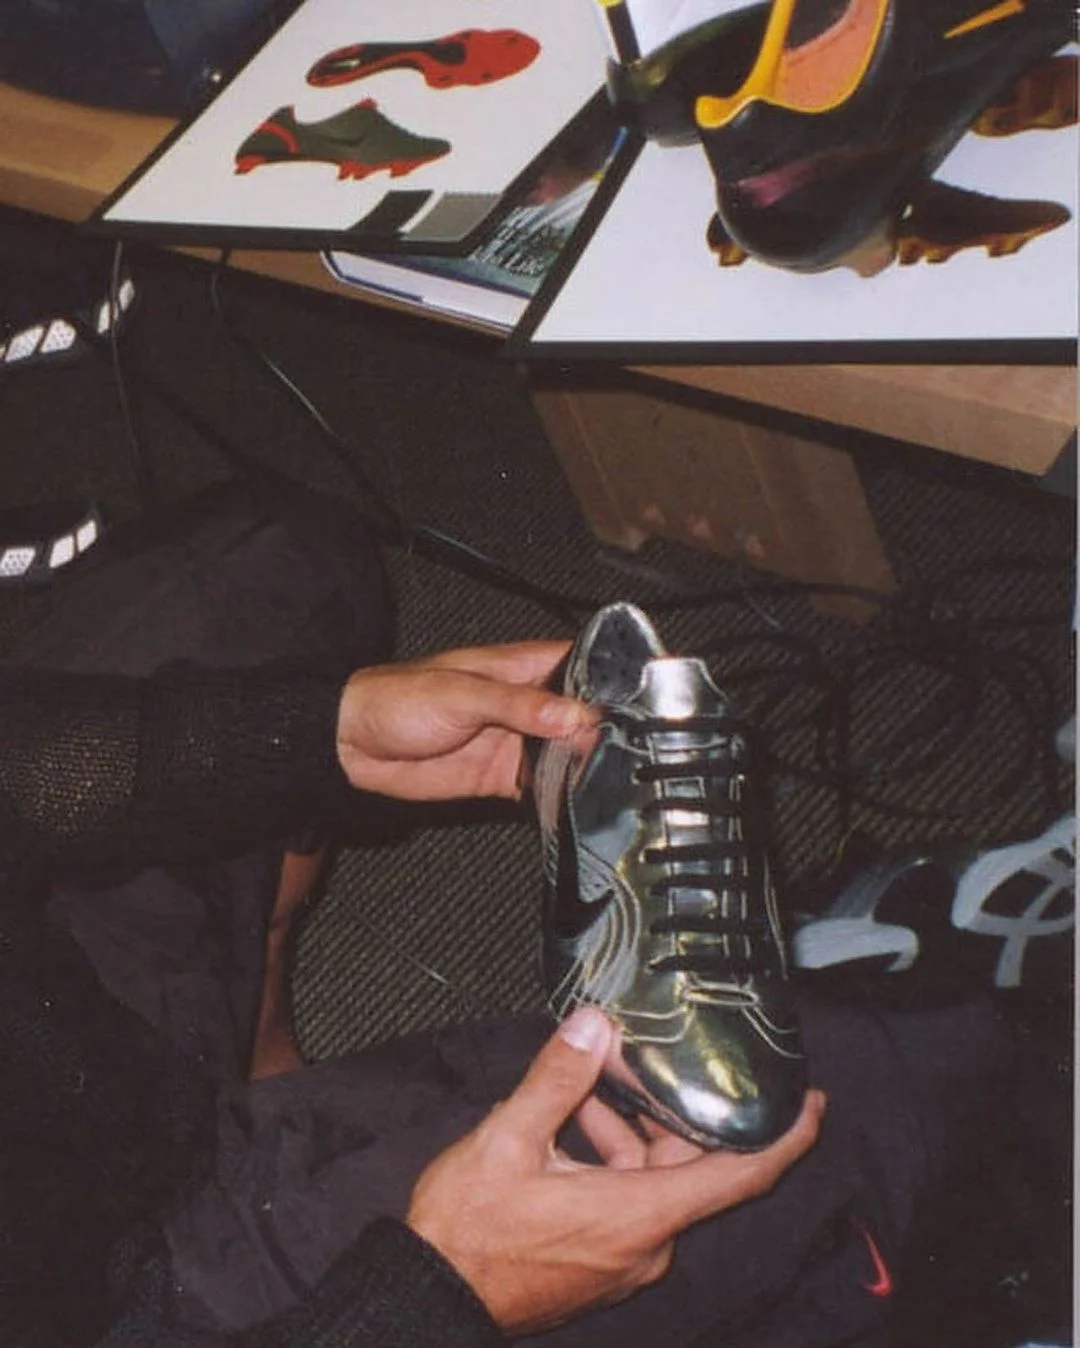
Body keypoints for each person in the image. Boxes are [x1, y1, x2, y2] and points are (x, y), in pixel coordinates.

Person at [0, 475, 1021, 1348]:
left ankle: (261, 1068)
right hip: (114, 1299)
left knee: (279, 562)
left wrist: (317, 734)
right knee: (850, 1103)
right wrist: (436, 1294)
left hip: (60, 1031)